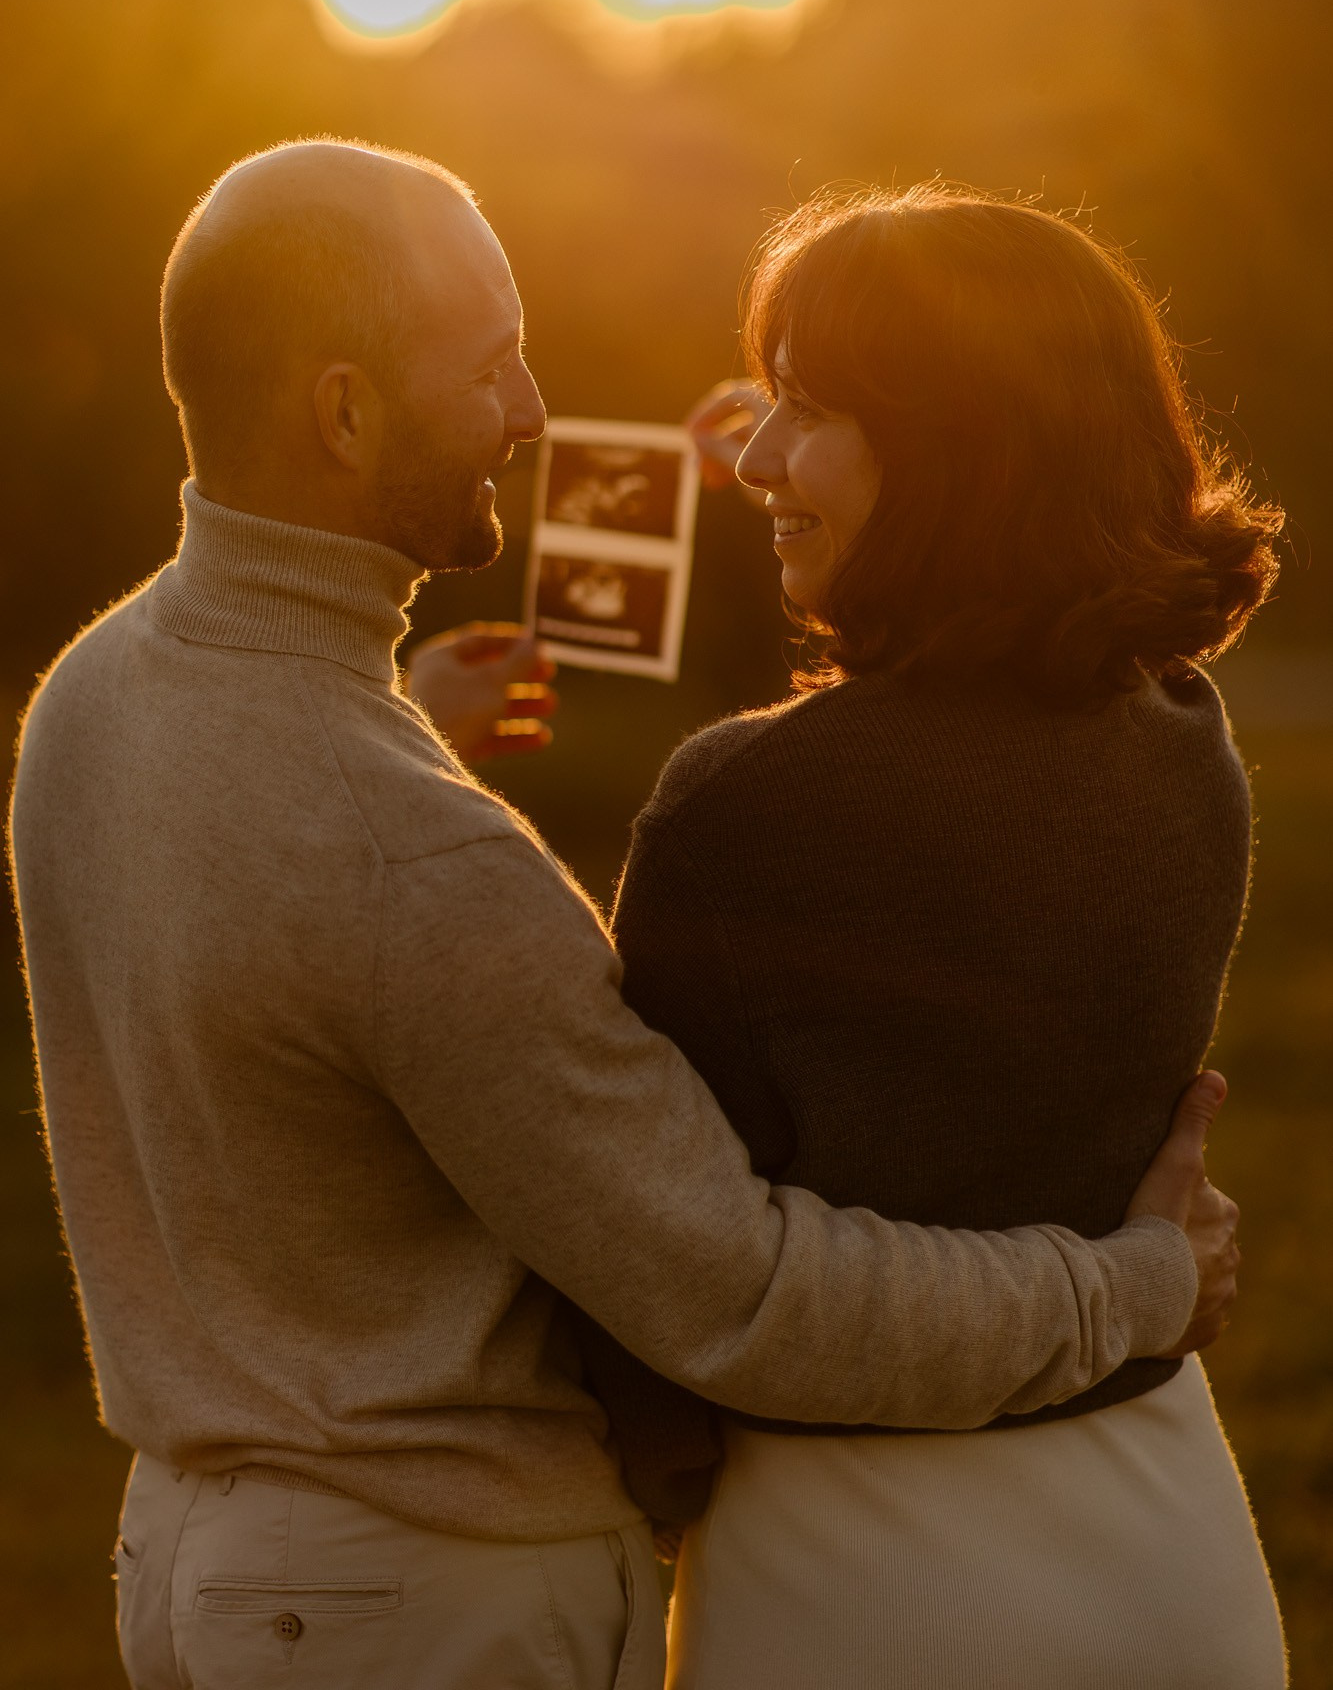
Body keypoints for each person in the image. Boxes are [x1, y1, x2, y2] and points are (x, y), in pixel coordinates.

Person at [9, 143, 1238, 1690]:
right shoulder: (418, 862)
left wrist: (392, 724)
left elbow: (291, 910)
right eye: (495, 364)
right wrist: (1132, 1282)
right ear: (343, 411)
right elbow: (739, 1297)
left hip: (192, 1552)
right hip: (429, 1595)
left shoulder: (96, 693)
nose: (534, 412)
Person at [574, 187, 1288, 1688]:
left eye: (813, 409)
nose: (760, 454)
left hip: (865, 1571)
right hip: (1167, 1535)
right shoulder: (1183, 739)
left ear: (963, 452)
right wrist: (807, 470)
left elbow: (653, 1264)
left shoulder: (747, 811)